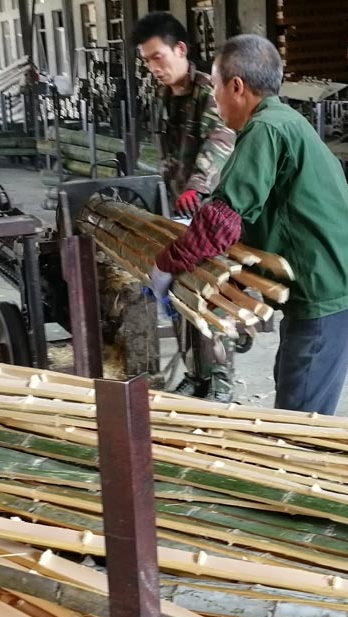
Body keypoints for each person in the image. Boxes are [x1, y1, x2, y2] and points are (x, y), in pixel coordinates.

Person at [149, 34, 348, 415]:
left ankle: (302, 473)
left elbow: (222, 220)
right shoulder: (285, 120)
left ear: (236, 86)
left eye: (215, 87)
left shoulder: (265, 129)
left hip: (323, 289)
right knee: (293, 389)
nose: (214, 99)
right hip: (329, 281)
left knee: (298, 422)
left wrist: (167, 264)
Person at [133, 12, 238, 402]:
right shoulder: (162, 98)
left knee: (211, 294)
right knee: (179, 293)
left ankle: (221, 379)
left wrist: (197, 185)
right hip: (179, 210)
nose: (154, 67)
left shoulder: (208, 89)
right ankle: (196, 373)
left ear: (181, 50)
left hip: (211, 212)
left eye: (158, 57)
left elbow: (221, 139)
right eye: (147, 61)